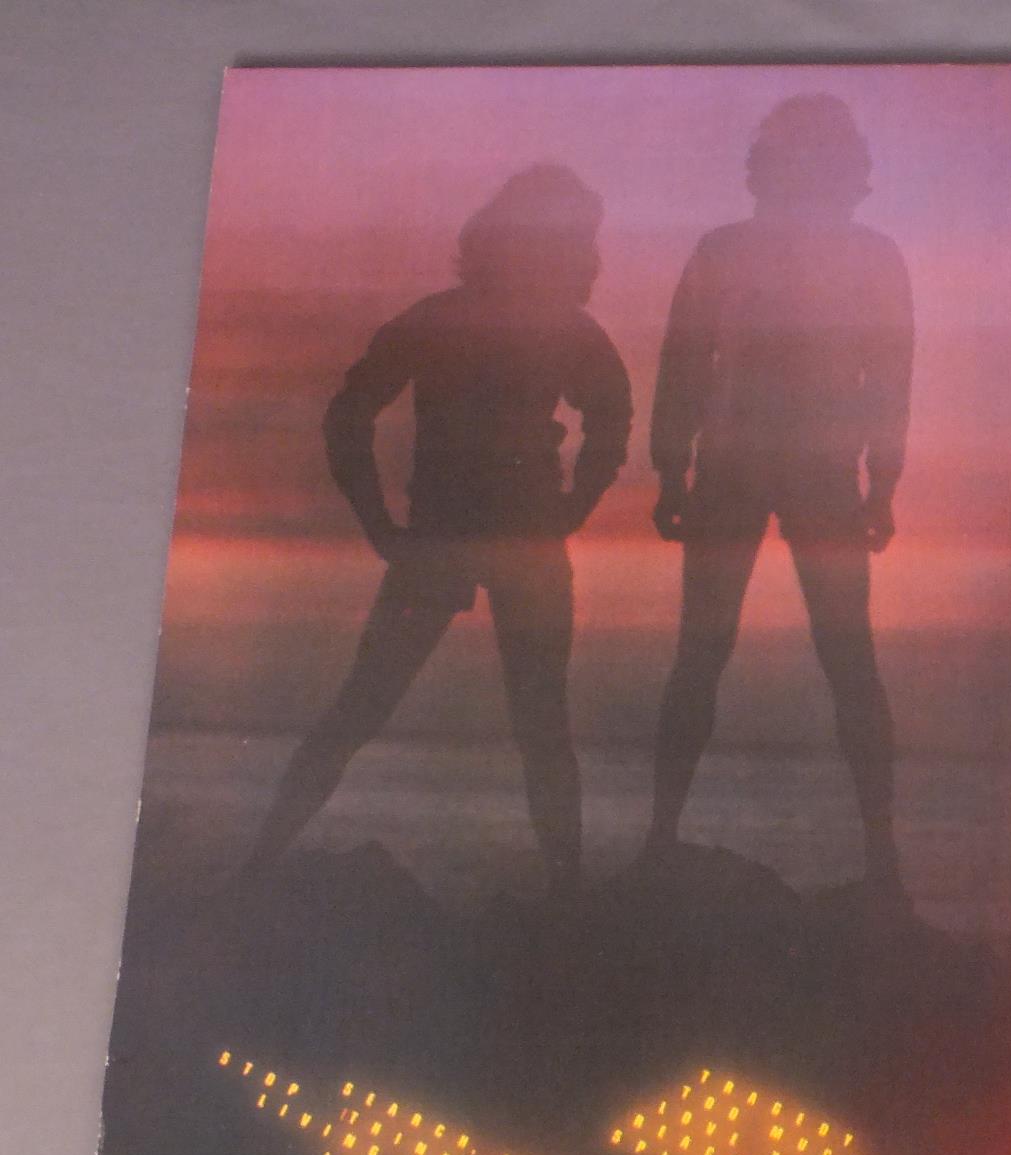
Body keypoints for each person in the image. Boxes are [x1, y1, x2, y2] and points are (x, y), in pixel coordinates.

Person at [240, 163, 632, 894]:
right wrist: (381, 524)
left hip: (473, 541)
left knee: (386, 710)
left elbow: (349, 415)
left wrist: (382, 525)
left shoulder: (474, 321)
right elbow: (349, 416)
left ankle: (256, 870)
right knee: (525, 726)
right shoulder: (541, 329)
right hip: (492, 542)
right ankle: (568, 899)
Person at [643, 94, 913, 904]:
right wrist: (883, 484)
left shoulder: (725, 249)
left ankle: (660, 838)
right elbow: (889, 381)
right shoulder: (870, 256)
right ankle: (881, 857)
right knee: (846, 659)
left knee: (705, 654)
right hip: (817, 471)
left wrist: (671, 470)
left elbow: (683, 364)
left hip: (736, 465)